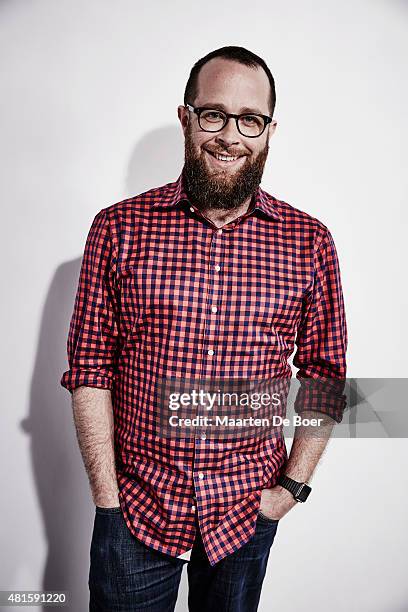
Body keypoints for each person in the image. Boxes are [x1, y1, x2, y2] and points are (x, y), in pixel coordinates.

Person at [60, 45, 347, 611]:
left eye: (250, 120)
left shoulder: (308, 242)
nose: (230, 136)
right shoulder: (117, 230)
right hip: (136, 509)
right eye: (213, 114)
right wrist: (107, 496)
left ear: (268, 130)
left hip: (246, 510)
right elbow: (89, 368)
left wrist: (289, 489)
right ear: (186, 117)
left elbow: (325, 373)